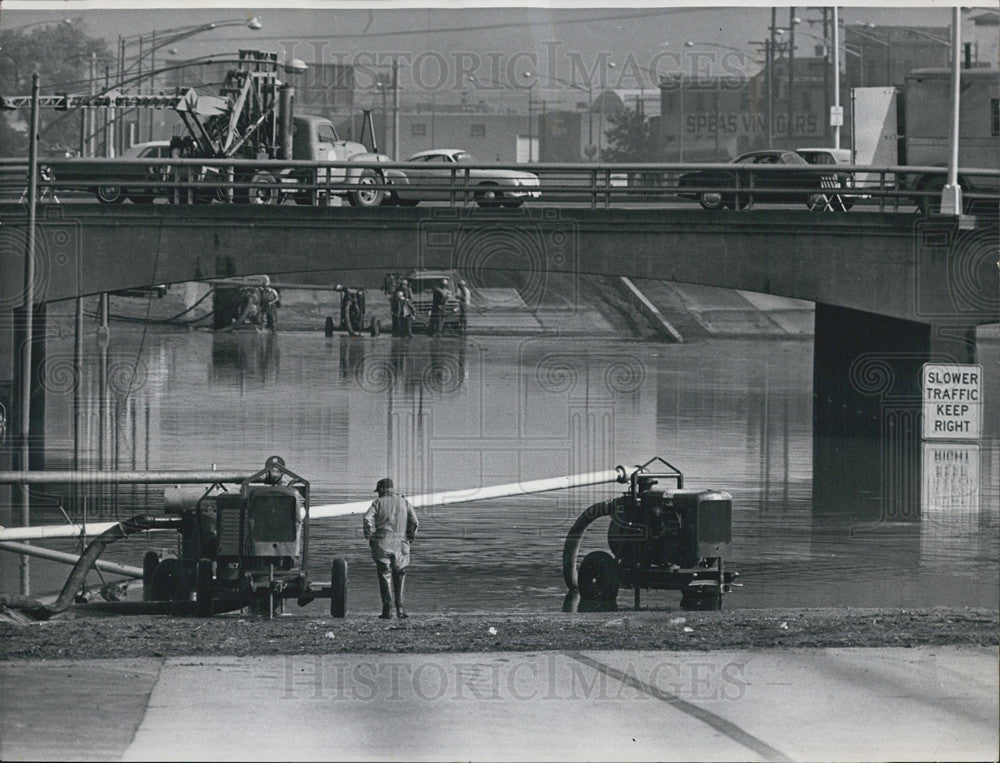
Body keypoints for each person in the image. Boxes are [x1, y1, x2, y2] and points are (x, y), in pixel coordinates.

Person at [363, 477, 418, 619]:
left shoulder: (377, 503)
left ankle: (387, 610)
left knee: (384, 574)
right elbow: (414, 522)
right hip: (401, 544)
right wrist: (410, 537)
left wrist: (370, 536)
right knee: (400, 574)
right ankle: (400, 609)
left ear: (381, 490)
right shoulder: (404, 502)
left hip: (382, 542)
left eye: (378, 491)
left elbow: (367, 519)